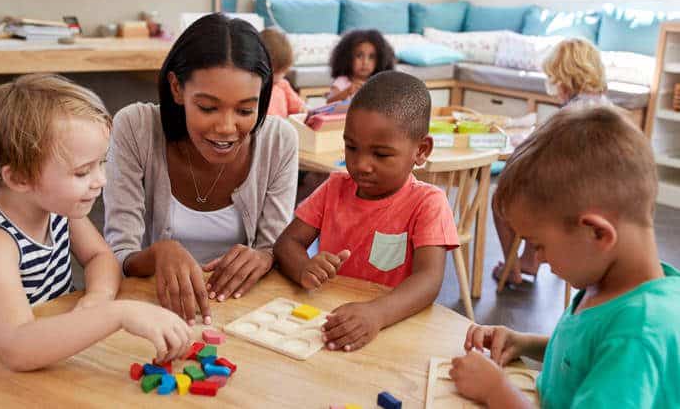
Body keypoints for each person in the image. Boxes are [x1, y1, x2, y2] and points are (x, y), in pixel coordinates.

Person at [0, 74, 191, 379]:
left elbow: (100, 257)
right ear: (18, 179)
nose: (101, 180)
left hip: (45, 356)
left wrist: (97, 299)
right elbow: (16, 347)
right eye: (82, 172)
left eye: (101, 163)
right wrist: (118, 313)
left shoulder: (55, 204)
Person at [450, 106, 680, 408]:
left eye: (538, 245)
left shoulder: (638, 333)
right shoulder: (612, 283)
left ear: (597, 234)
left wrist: (497, 392)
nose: (540, 260)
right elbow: (587, 354)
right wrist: (526, 343)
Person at [103, 13, 299, 325]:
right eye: (208, 108)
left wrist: (266, 256)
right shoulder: (135, 127)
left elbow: (273, 247)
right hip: (149, 312)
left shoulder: (279, 140)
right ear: (177, 89)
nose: (226, 127)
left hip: (240, 315)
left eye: (246, 110)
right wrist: (158, 253)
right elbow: (116, 254)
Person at [275, 71, 458, 352]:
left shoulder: (428, 203)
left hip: (392, 328)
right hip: (330, 321)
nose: (361, 164)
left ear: (421, 150)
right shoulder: (334, 188)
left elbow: (429, 280)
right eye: (351, 147)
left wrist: (377, 313)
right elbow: (288, 242)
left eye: (381, 154)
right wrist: (304, 268)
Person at [493, 37, 612, 286]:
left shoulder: (570, 116)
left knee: (502, 199)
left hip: (567, 203)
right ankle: (530, 261)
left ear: (564, 79)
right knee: (533, 188)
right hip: (600, 201)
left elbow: (534, 153)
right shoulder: (606, 108)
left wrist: (518, 141)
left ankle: (513, 267)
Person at [326, 29, 395, 103]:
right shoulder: (342, 81)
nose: (365, 62)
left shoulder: (379, 83)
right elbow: (329, 101)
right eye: (359, 56)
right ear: (347, 58)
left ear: (380, 60)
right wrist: (347, 92)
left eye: (371, 57)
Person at [259, 28, 306, 118]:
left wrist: (303, 109)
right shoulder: (255, 89)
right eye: (275, 72)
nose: (280, 76)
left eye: (283, 71)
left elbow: (298, 106)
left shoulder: (283, 85)